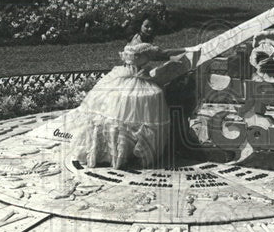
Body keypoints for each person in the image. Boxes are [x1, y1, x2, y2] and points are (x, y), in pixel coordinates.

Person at [52, 18, 186, 169]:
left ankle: (116, 150)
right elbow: (164, 53)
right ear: (140, 25)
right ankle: (126, 152)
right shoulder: (145, 46)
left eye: (152, 27)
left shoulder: (135, 37)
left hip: (125, 74)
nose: (149, 29)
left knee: (119, 111)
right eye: (147, 26)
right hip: (132, 78)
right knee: (141, 104)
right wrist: (187, 50)